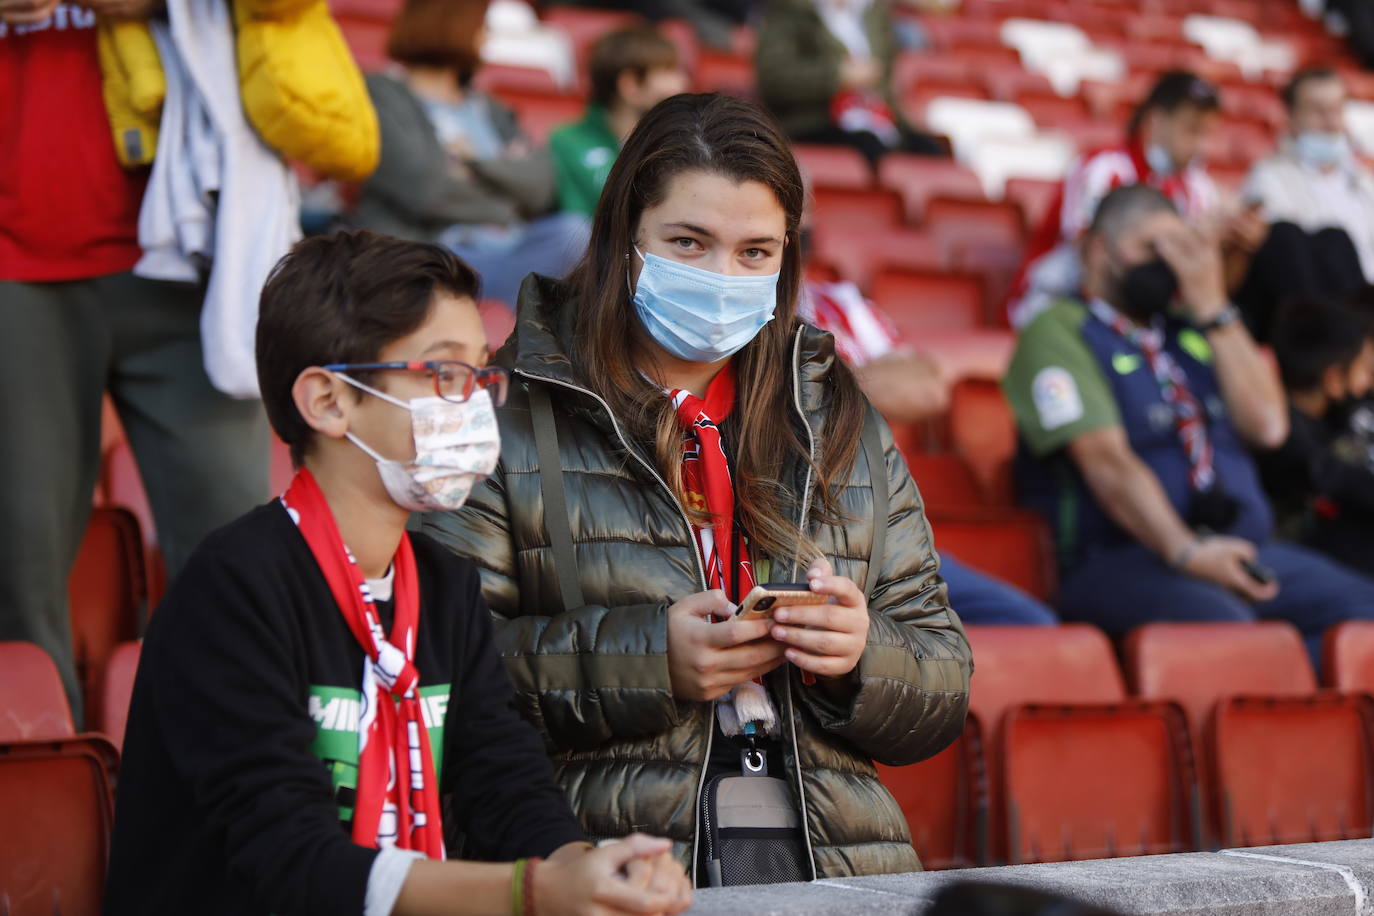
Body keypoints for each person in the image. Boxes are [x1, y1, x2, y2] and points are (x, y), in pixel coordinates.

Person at [423, 93, 972, 884]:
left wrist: (860, 656)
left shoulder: (833, 405)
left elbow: (943, 673)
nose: (723, 277)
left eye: (755, 253)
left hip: (834, 863)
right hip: (605, 855)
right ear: (624, 238)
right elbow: (442, 672)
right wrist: (652, 662)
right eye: (689, 242)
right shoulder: (506, 408)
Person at [104, 230, 692, 916]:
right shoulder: (233, 587)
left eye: (481, 374)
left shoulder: (441, 585)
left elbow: (505, 786)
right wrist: (529, 894)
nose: (474, 403)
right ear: (329, 401)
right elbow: (288, 857)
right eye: (443, 374)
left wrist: (589, 871)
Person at [0, 1, 268, 722]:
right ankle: (41, 802)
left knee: (239, 565)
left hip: (197, 238)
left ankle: (234, 802)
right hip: (16, 261)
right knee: (17, 577)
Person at [1003, 184, 1374, 665]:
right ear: (1098, 250)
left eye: (1178, 248)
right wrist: (1187, 551)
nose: (1167, 263)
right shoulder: (1059, 330)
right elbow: (1107, 464)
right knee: (1230, 632)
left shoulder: (1194, 328)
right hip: (1126, 557)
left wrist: (1213, 304)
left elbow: (1268, 427)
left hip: (1246, 550)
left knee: (1364, 613)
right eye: (1150, 248)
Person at [798, 278, 1057, 624]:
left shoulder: (839, 302)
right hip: (794, 537)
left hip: (885, 536)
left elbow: (924, 390)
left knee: (1027, 626)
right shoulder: (729, 304)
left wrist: (806, 380)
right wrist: (857, 381)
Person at [355, 0, 588, 308]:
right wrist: (508, 202)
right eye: (481, 28)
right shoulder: (383, 93)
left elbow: (542, 184)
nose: (486, 38)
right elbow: (426, 190)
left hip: (510, 248)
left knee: (574, 232)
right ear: (450, 27)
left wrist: (474, 164)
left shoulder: (488, 106)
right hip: (437, 253)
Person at [1006, 71, 1267, 330]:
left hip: (1145, 314)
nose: (1201, 145)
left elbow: (1212, 287)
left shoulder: (1198, 188)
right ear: (1156, 120)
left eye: (1206, 133)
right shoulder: (1105, 167)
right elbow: (1092, 259)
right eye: (1191, 130)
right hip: (1062, 300)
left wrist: (1236, 248)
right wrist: (1189, 240)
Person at [1236, 67, 1372, 340]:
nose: (1330, 121)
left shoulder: (1365, 184)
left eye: (1336, 110)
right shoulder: (1268, 179)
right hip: (1312, 324)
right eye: (1318, 111)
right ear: (1291, 117)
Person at [1257, 290, 1374, 572]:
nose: (1366, 385)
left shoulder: (1330, 424)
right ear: (1334, 378)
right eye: (1364, 371)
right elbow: (1327, 474)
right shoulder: (1284, 434)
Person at [755, 0, 943, 168]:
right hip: (815, 121)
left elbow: (885, 80)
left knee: (930, 150)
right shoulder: (790, 9)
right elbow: (773, 77)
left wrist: (903, 125)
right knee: (869, 146)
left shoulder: (873, 10)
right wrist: (838, 77)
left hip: (875, 119)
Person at [549, 24, 688, 218]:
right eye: (667, 72)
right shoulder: (567, 141)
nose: (681, 84)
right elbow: (578, 225)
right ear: (629, 84)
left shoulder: (683, 145)